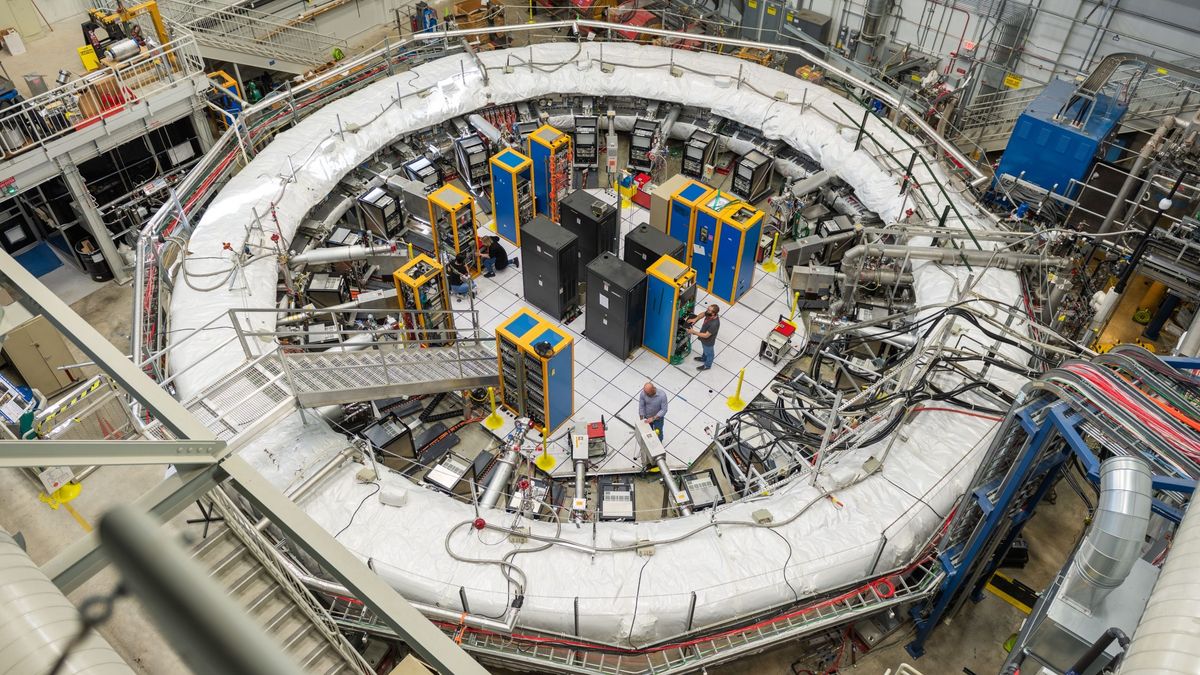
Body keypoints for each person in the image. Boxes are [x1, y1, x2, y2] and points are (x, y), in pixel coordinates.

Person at [687, 304, 721, 371]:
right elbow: (703, 314)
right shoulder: (709, 314)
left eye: (709, 310)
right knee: (705, 350)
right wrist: (695, 319)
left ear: (713, 313)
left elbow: (706, 335)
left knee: (709, 353)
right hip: (703, 337)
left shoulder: (714, 324)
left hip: (708, 341)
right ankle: (703, 358)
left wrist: (693, 332)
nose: (707, 311)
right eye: (707, 309)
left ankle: (707, 365)